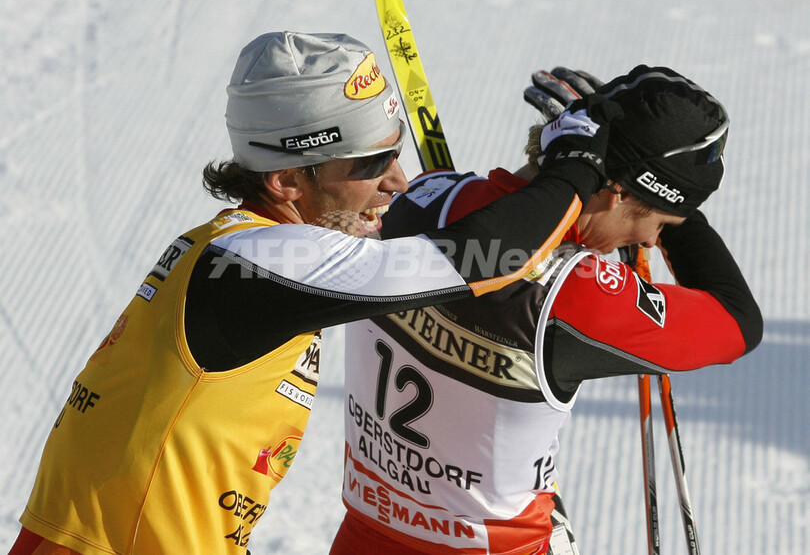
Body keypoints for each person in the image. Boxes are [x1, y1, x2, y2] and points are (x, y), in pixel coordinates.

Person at [8, 30, 622, 555]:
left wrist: (541, 170)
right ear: (286, 180)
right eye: (369, 165)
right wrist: (578, 164)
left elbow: (459, 241)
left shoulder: (248, 251)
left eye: (395, 155)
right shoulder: (256, 264)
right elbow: (467, 260)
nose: (397, 182)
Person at [330, 65, 763, 555]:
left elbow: (507, 211)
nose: (648, 239)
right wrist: (677, 211)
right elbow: (738, 323)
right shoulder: (576, 292)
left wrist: (593, 156)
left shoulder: (422, 196)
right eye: (659, 222)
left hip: (365, 535)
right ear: (617, 190)